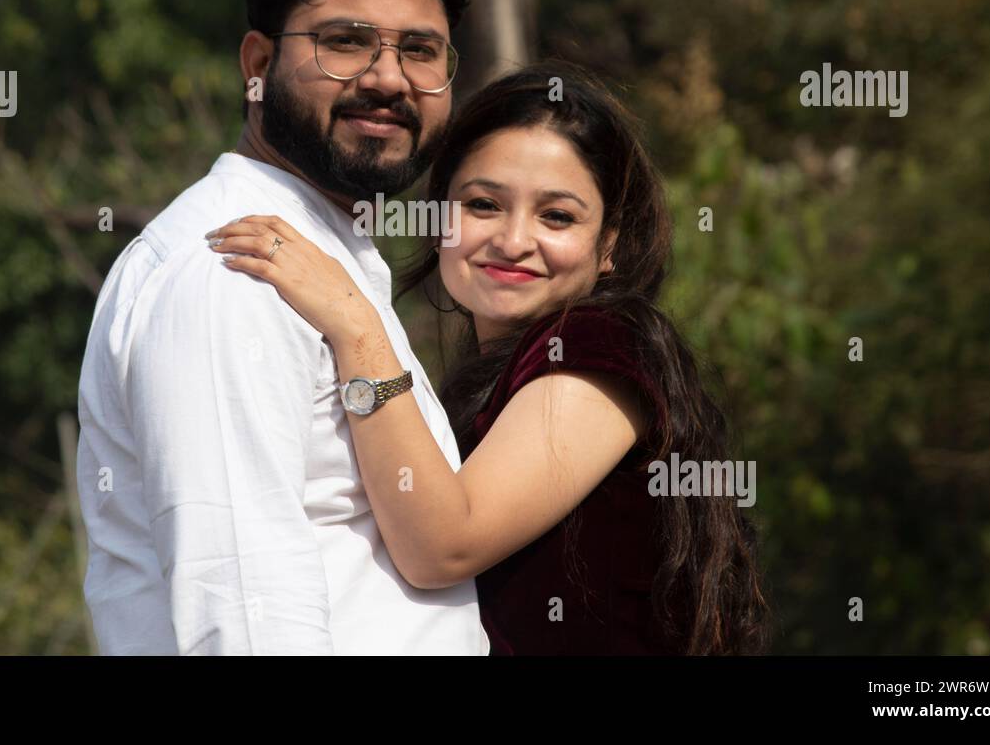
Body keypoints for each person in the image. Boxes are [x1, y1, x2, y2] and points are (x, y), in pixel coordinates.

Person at [206, 63, 772, 654]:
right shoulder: (487, 377)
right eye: (483, 205)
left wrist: (356, 327)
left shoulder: (601, 347)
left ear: (610, 245)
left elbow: (443, 544)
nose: (512, 241)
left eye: (557, 216)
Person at [76, 0, 488, 654]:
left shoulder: (323, 256)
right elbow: (244, 604)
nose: (389, 79)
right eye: (346, 41)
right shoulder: (233, 269)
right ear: (258, 62)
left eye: (420, 50)